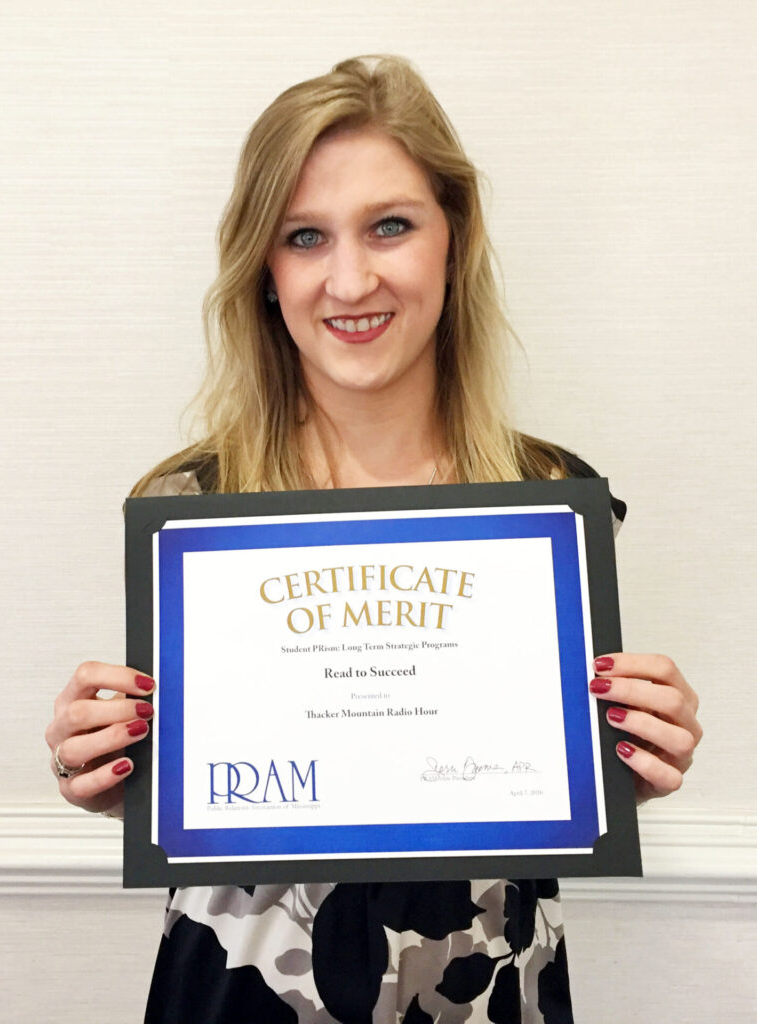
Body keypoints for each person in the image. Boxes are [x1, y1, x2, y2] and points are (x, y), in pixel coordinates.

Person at [45, 55, 702, 1023]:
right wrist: (110, 764)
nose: (349, 278)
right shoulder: (191, 504)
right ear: (264, 271)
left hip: (485, 992)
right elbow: (183, 788)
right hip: (239, 996)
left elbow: (544, 789)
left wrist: (623, 760)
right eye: (303, 237)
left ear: (453, 237)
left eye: (389, 225)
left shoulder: (548, 502)